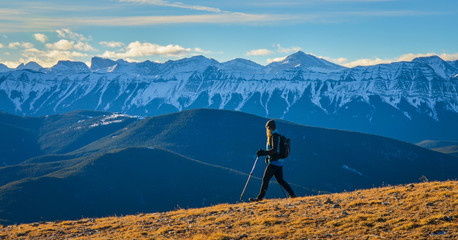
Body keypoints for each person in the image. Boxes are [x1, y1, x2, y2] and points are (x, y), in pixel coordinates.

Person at [249, 120, 296, 202]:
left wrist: (263, 153)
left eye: (267, 128)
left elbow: (274, 150)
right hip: (279, 162)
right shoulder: (277, 136)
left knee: (265, 179)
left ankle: (260, 198)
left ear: (269, 128)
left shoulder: (274, 136)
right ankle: (293, 195)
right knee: (280, 180)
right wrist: (267, 156)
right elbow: (275, 150)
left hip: (275, 162)